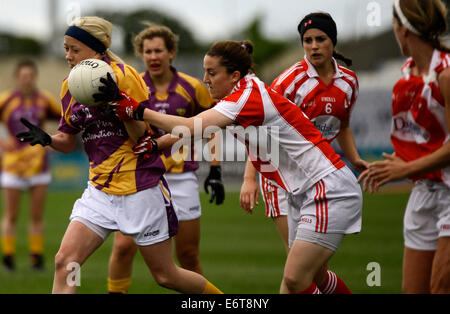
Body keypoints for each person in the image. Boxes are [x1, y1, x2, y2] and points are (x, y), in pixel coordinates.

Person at [100, 39, 363, 294]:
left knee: (295, 279)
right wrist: (159, 145)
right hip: (306, 191)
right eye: (205, 72)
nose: (205, 79)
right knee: (314, 275)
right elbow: (200, 128)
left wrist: (138, 112)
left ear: (234, 75)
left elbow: (192, 126)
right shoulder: (239, 94)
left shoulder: (247, 97)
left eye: (212, 73)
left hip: (327, 187)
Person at [16, 16, 222, 294]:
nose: (68, 56)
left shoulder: (125, 76)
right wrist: (48, 139)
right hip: (99, 191)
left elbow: (144, 139)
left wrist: (118, 103)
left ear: (96, 50)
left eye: (74, 49)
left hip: (140, 188)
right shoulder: (70, 85)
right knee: (66, 262)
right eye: (65, 48)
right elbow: (66, 141)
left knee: (166, 275)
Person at [239, 12, 368, 294]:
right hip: (281, 178)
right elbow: (261, 131)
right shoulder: (289, 81)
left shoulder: (348, 82)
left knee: (306, 273)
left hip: (320, 176)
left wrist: (355, 159)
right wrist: (250, 179)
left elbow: (342, 126)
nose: (313, 46)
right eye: (307, 40)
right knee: (297, 271)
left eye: (320, 39)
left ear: (332, 42)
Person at [106, 23, 224, 294]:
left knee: (188, 254)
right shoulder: (133, 85)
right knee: (123, 247)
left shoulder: (193, 87)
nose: (153, 56)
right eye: (147, 51)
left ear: (171, 52)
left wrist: (215, 170)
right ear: (141, 54)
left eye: (159, 50)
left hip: (181, 178)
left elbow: (212, 125)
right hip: (141, 177)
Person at [358, 0, 450, 293]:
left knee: (441, 287)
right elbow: (425, 142)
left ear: (403, 29)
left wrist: (405, 168)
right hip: (423, 193)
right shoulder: (407, 76)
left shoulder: (446, 75)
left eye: (395, 25)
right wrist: (389, 166)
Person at [0, 58, 60, 271]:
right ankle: (8, 257)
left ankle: (36, 257)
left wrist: (53, 141)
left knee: (36, 215)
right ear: (17, 77)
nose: (27, 80)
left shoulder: (45, 99)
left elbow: (66, 120)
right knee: (12, 214)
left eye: (30, 76)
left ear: (35, 77)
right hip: (12, 165)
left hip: (38, 164)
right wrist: (2, 142)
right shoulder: (6, 100)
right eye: (23, 76)